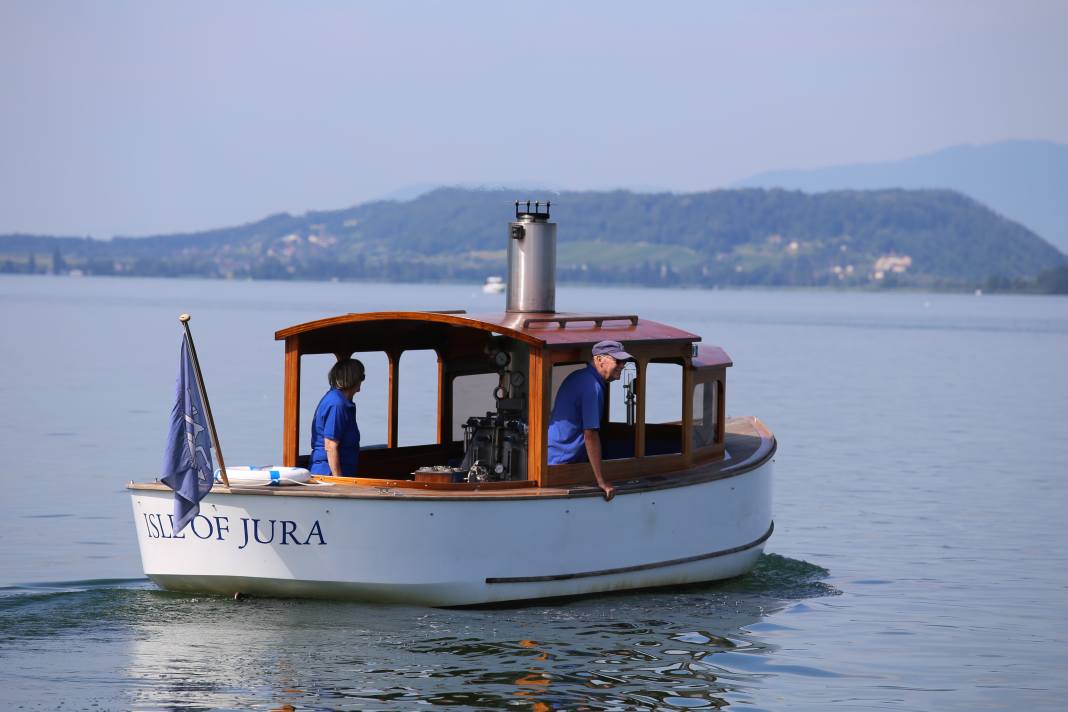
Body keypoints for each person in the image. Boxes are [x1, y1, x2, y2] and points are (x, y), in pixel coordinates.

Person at [547, 340, 632, 501]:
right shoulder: (592, 387)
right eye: (618, 361)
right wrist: (601, 481)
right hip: (561, 462)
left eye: (624, 362)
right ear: (599, 359)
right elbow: (590, 434)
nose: (622, 365)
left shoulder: (580, 377)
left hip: (553, 455)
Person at [309, 358, 365, 477]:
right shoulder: (337, 404)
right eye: (362, 376)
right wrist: (339, 481)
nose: (362, 380)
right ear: (354, 379)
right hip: (327, 474)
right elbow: (330, 445)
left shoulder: (340, 401)